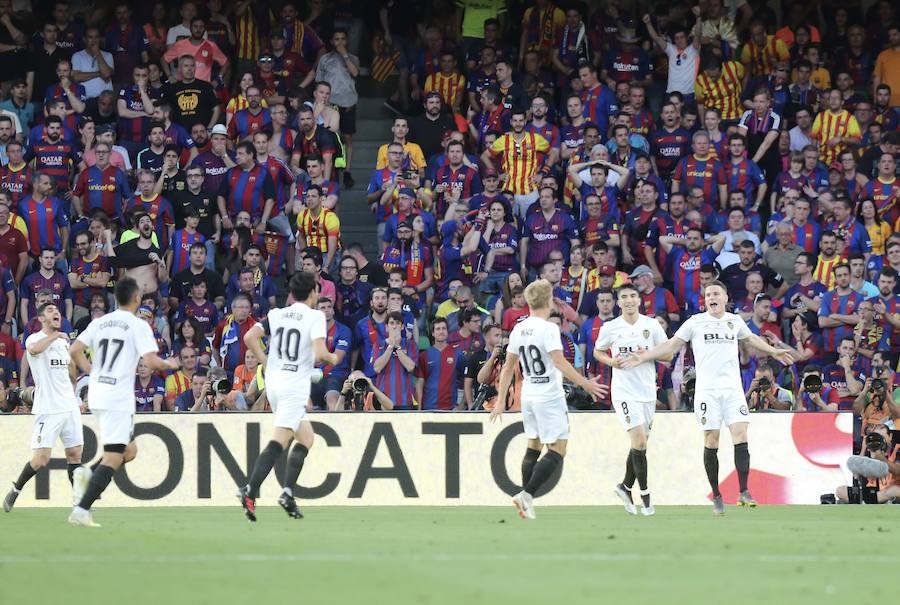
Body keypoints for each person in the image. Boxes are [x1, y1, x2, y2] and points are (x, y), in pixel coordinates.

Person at [623, 280, 794, 514]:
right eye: (708, 294)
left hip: (733, 390)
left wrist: (773, 350)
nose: (711, 297)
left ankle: (744, 491)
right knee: (711, 440)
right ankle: (717, 495)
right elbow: (671, 345)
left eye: (716, 293)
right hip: (707, 392)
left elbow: (750, 339)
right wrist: (645, 356)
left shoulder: (734, 321)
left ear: (725, 298)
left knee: (741, 434)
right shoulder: (695, 322)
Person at [67, 277, 179, 527]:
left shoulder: (101, 322)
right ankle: (82, 509)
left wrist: (91, 370)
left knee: (129, 450)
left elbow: (74, 349)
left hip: (97, 391)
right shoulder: (138, 325)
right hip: (117, 397)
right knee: (114, 456)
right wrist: (169, 364)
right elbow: (151, 362)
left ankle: (89, 473)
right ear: (137, 297)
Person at [490, 279, 603, 519]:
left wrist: (501, 400)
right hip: (549, 395)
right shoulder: (549, 329)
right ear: (549, 300)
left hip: (529, 394)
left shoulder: (518, 329)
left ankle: (526, 501)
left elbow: (507, 368)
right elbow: (559, 362)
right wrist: (584, 382)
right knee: (558, 450)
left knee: (533, 445)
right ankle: (526, 495)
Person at [239, 272, 338, 521]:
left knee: (306, 437)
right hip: (293, 386)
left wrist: (265, 361)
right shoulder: (315, 317)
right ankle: (250, 489)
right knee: (280, 440)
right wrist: (333, 358)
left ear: (292, 294)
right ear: (313, 293)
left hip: (274, 383)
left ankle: (287, 492)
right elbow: (320, 353)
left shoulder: (277, 313)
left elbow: (249, 337)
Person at [593, 283, 669, 516]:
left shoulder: (651, 325)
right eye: (623, 296)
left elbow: (667, 355)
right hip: (624, 392)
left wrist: (644, 356)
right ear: (618, 302)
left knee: (639, 444)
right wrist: (610, 362)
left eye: (632, 296)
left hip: (647, 391)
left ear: (639, 300)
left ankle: (625, 487)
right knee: (640, 442)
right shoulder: (611, 327)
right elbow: (598, 351)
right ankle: (645, 496)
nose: (628, 300)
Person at [3, 304, 83, 513]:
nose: (56, 313)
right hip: (48, 408)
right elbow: (34, 351)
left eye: (57, 310)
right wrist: (56, 337)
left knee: (75, 454)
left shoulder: (64, 343)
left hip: (69, 406)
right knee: (41, 459)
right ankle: (16, 488)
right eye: (50, 311)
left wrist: (72, 381)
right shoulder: (35, 338)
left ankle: (79, 504)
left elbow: (71, 371)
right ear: (40, 318)